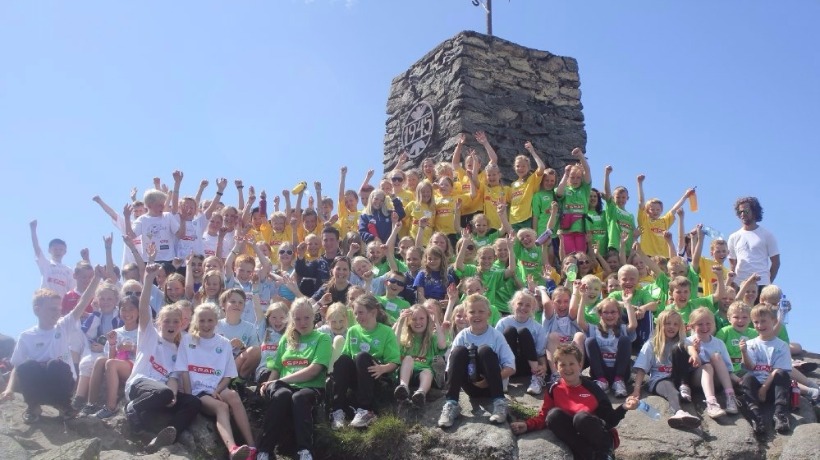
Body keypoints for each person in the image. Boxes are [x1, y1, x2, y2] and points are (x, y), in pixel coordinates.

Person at [1, 266, 102, 423]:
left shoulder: (63, 325)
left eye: (59, 308)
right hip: (37, 387)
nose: (57, 312)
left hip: (61, 385)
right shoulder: (26, 336)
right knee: (28, 366)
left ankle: (65, 407)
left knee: (56, 364)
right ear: (37, 309)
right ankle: (33, 407)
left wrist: (96, 278)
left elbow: (83, 302)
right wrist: (9, 389)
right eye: (52, 309)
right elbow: (17, 366)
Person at [120, 264, 201, 452]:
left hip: (161, 393)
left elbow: (173, 377)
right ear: (159, 323)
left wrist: (173, 395)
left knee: (193, 402)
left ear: (182, 324)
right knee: (163, 392)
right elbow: (143, 306)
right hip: (139, 386)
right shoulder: (149, 335)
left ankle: (166, 433)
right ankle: (132, 408)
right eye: (167, 321)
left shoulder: (179, 349)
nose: (171, 325)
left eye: (176, 321)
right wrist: (148, 279)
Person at [510, 343, 639, 460]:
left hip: (599, 436)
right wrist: (527, 425)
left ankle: (605, 454)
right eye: (562, 364)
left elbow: (610, 421)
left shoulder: (593, 388)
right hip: (578, 441)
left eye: (571, 363)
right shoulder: (553, 388)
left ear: (580, 364)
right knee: (553, 415)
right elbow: (544, 417)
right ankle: (586, 454)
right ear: (556, 367)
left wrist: (624, 407)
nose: (567, 368)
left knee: (581, 417)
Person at [177, 303, 257, 460]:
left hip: (215, 388)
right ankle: (232, 448)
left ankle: (252, 446)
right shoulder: (187, 340)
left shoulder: (224, 343)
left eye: (210, 320)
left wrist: (217, 390)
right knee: (221, 406)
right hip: (196, 391)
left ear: (216, 321)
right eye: (202, 320)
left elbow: (228, 375)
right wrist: (188, 397)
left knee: (233, 395)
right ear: (195, 321)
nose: (206, 325)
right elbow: (184, 372)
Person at [257, 299, 332, 460]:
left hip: (310, 386)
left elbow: (314, 370)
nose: (302, 322)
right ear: (292, 319)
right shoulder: (286, 339)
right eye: (297, 319)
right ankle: (264, 450)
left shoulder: (322, 338)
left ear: (314, 317)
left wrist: (280, 381)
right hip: (284, 385)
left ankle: (305, 450)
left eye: (306, 318)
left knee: (299, 397)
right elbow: (277, 367)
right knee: (281, 395)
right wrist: (269, 383)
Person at [437, 294, 515, 428]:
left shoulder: (496, 335)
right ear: (466, 316)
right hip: (471, 385)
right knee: (458, 351)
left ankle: (499, 403)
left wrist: (490, 380)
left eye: (481, 311)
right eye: (472, 312)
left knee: (484, 350)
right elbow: (450, 365)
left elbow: (511, 367)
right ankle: (451, 404)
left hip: (492, 384)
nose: (476, 315)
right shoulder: (462, 335)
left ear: (488, 314)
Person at [330, 294, 400, 429]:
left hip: (377, 378)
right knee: (343, 360)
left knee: (362, 357)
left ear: (373, 312)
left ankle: (365, 410)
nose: (357, 317)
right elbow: (346, 357)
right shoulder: (352, 331)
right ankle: (337, 410)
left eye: (360, 313)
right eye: (355, 313)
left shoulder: (386, 332)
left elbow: (395, 362)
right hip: (358, 379)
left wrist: (382, 368)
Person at [631, 309, 700, 430]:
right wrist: (636, 390)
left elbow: (689, 347)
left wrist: (694, 354)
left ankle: (685, 387)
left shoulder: (682, 341)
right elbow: (641, 369)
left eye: (675, 324)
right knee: (670, 390)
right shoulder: (651, 344)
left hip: (679, 377)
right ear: (660, 325)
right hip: (660, 378)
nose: (671, 327)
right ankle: (679, 412)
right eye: (667, 323)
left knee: (678, 348)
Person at [740, 304, 792, 437]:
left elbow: (778, 370)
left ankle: (780, 414)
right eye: (756, 322)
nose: (759, 325)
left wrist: (763, 389)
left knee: (782, 375)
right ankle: (756, 416)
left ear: (773, 321)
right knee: (747, 378)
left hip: (771, 388)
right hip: (755, 387)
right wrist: (744, 352)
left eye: (763, 321)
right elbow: (750, 367)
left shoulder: (781, 345)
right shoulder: (751, 343)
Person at [576, 292, 637, 398]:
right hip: (600, 371)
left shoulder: (622, 329)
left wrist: (627, 303)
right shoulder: (594, 329)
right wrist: (582, 299)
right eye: (605, 312)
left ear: (618, 313)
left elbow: (633, 325)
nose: (609, 315)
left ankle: (619, 382)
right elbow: (580, 322)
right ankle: (601, 381)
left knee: (625, 340)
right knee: (589, 341)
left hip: (619, 371)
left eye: (613, 312)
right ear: (600, 314)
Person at [683, 307, 737, 418]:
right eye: (700, 324)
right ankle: (711, 403)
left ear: (713, 324)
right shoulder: (687, 341)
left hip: (717, 380)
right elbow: (686, 368)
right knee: (707, 366)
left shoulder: (719, 343)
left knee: (716, 356)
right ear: (692, 326)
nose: (705, 327)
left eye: (708, 323)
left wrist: (739, 380)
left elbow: (728, 369)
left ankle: (730, 397)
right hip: (697, 379)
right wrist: (695, 351)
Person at [494, 290, 548, 395]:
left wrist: (544, 367)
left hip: (527, 366)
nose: (523, 308)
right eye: (520, 304)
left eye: (528, 305)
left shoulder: (537, 328)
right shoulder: (503, 323)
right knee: (510, 330)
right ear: (513, 305)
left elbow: (540, 354)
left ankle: (536, 378)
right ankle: (504, 378)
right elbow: (496, 348)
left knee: (523, 332)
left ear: (533, 308)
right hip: (509, 366)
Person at [393, 304, 447, 406]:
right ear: (408, 322)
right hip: (407, 373)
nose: (418, 322)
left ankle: (421, 393)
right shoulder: (405, 339)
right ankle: (403, 387)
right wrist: (400, 323)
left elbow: (442, 345)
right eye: (414, 319)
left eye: (421, 318)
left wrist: (436, 322)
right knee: (408, 358)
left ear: (427, 320)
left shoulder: (432, 338)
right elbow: (394, 346)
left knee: (427, 371)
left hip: (424, 372)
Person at [727, 197, 780, 297]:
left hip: (762, 285)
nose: (743, 214)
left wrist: (767, 282)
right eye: (740, 211)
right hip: (740, 285)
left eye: (746, 211)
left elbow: (776, 262)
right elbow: (732, 265)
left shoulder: (767, 235)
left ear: (754, 211)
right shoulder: (733, 237)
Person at [635, 174, 694, 258]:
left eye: (658, 210)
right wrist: (639, 183)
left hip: (664, 257)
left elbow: (674, 209)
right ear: (647, 211)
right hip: (648, 256)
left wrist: (685, 196)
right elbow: (641, 203)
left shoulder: (664, 221)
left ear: (661, 210)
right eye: (652, 209)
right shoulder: (644, 220)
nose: (655, 212)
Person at [555, 148, 592, 254]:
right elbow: (558, 193)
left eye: (578, 178)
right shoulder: (565, 189)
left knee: (581, 255)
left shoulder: (584, 189)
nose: (575, 180)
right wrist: (566, 174)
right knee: (569, 256)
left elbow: (587, 171)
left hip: (581, 229)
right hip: (566, 229)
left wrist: (580, 156)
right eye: (572, 177)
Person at [29, 219, 75, 298]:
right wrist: (33, 230)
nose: (58, 252)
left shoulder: (69, 270)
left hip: (61, 304)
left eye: (61, 249)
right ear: (49, 250)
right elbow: (37, 249)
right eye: (55, 249)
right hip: (46, 300)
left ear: (65, 252)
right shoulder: (45, 263)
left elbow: (73, 289)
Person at [295, 226, 342, 298]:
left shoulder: (345, 261)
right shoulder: (318, 262)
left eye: (332, 239)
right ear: (322, 243)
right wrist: (300, 256)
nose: (328, 243)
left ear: (338, 242)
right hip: (321, 302)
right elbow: (302, 271)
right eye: (325, 240)